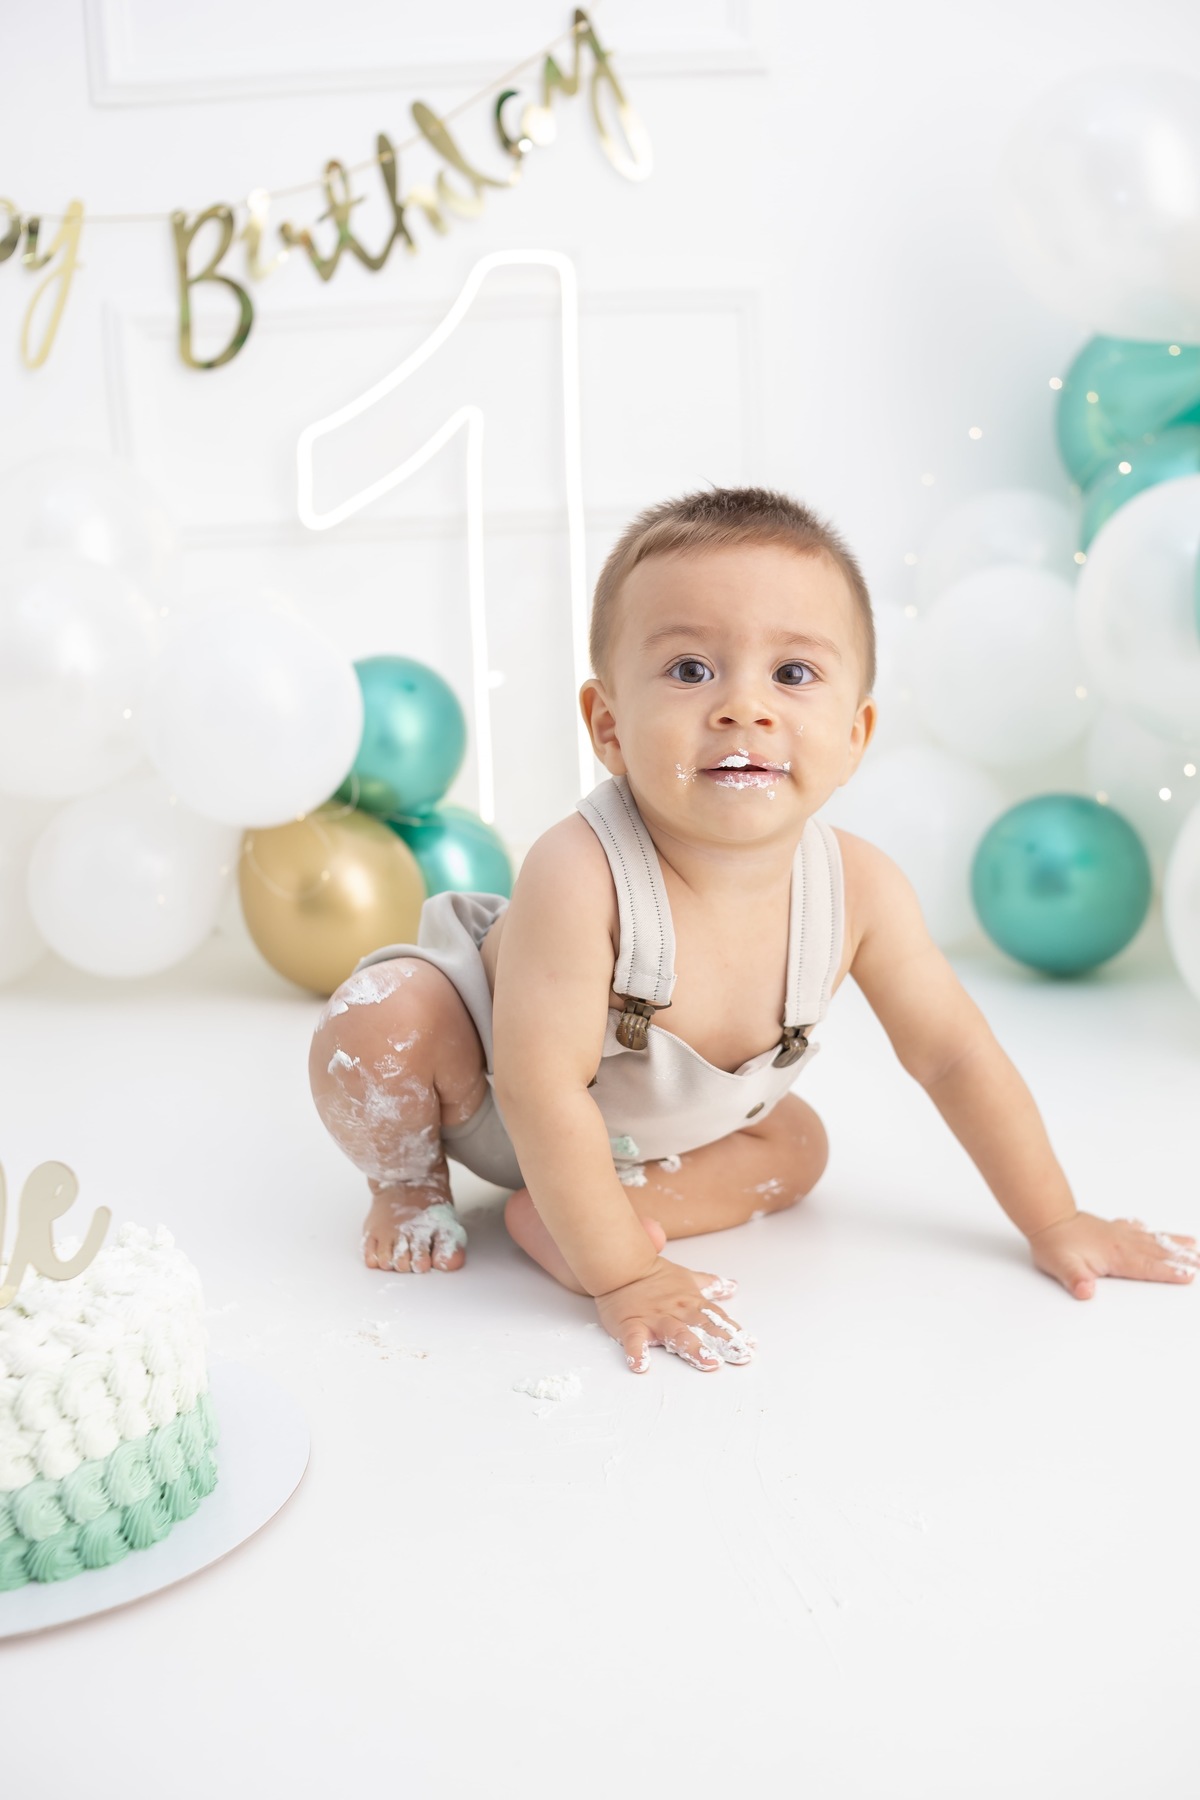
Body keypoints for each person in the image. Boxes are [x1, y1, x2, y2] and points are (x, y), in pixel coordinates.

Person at [308, 485, 1198, 1374]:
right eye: (691, 670)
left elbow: (956, 1057)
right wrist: (625, 1275)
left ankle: (572, 1213)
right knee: (383, 1015)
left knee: (796, 1147)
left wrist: (1054, 1218)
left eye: (794, 674)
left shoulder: (860, 889)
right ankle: (410, 1188)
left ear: (854, 737)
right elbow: (545, 1092)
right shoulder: (580, 873)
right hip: (496, 1101)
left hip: (641, 1137)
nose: (745, 707)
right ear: (609, 725)